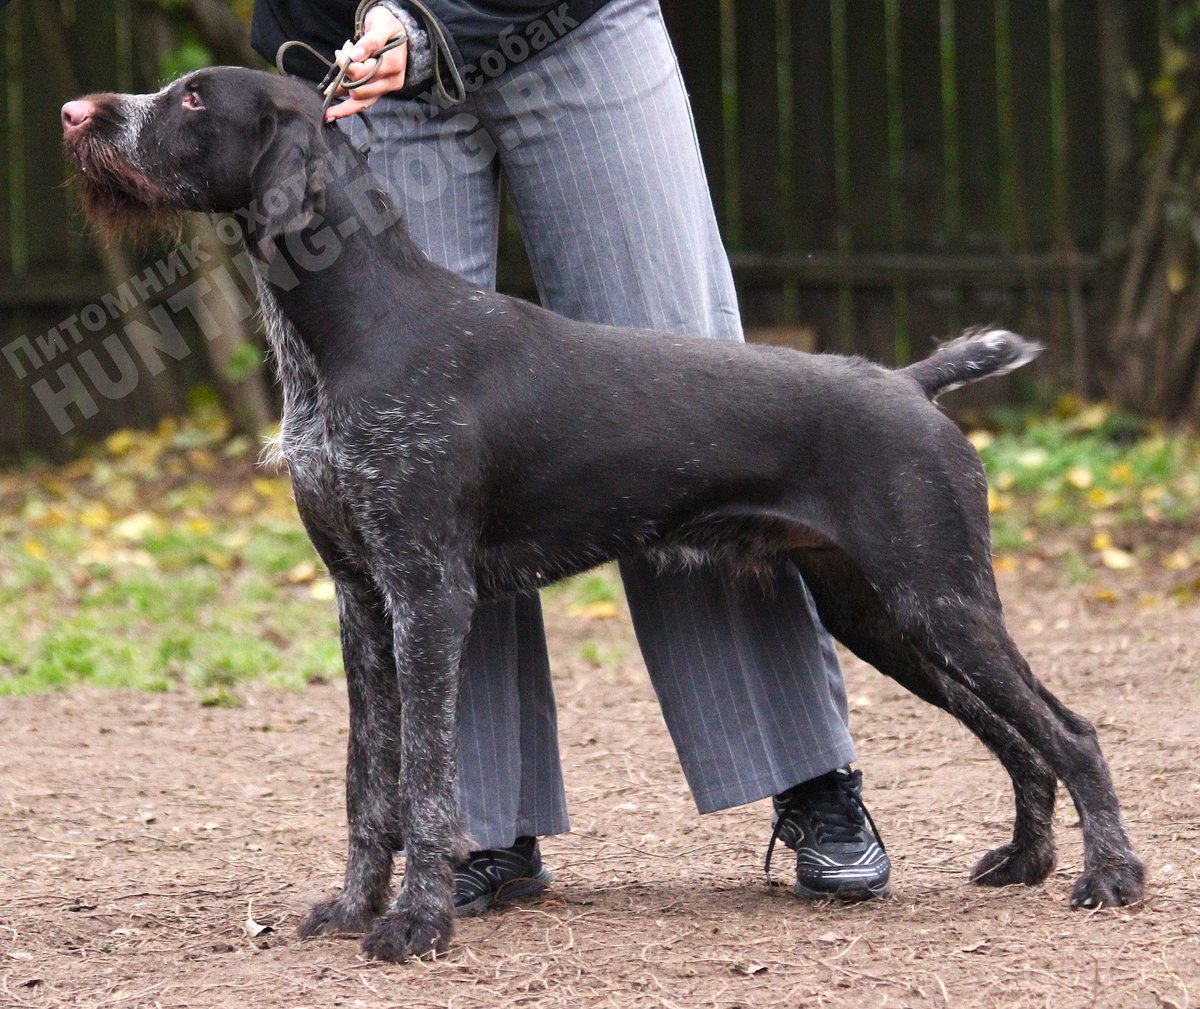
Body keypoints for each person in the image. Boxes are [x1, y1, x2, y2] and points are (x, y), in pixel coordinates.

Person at [250, 0, 891, 912]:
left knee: (696, 404)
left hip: (563, 26)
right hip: (361, 70)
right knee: (422, 471)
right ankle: (478, 827)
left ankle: (806, 771)